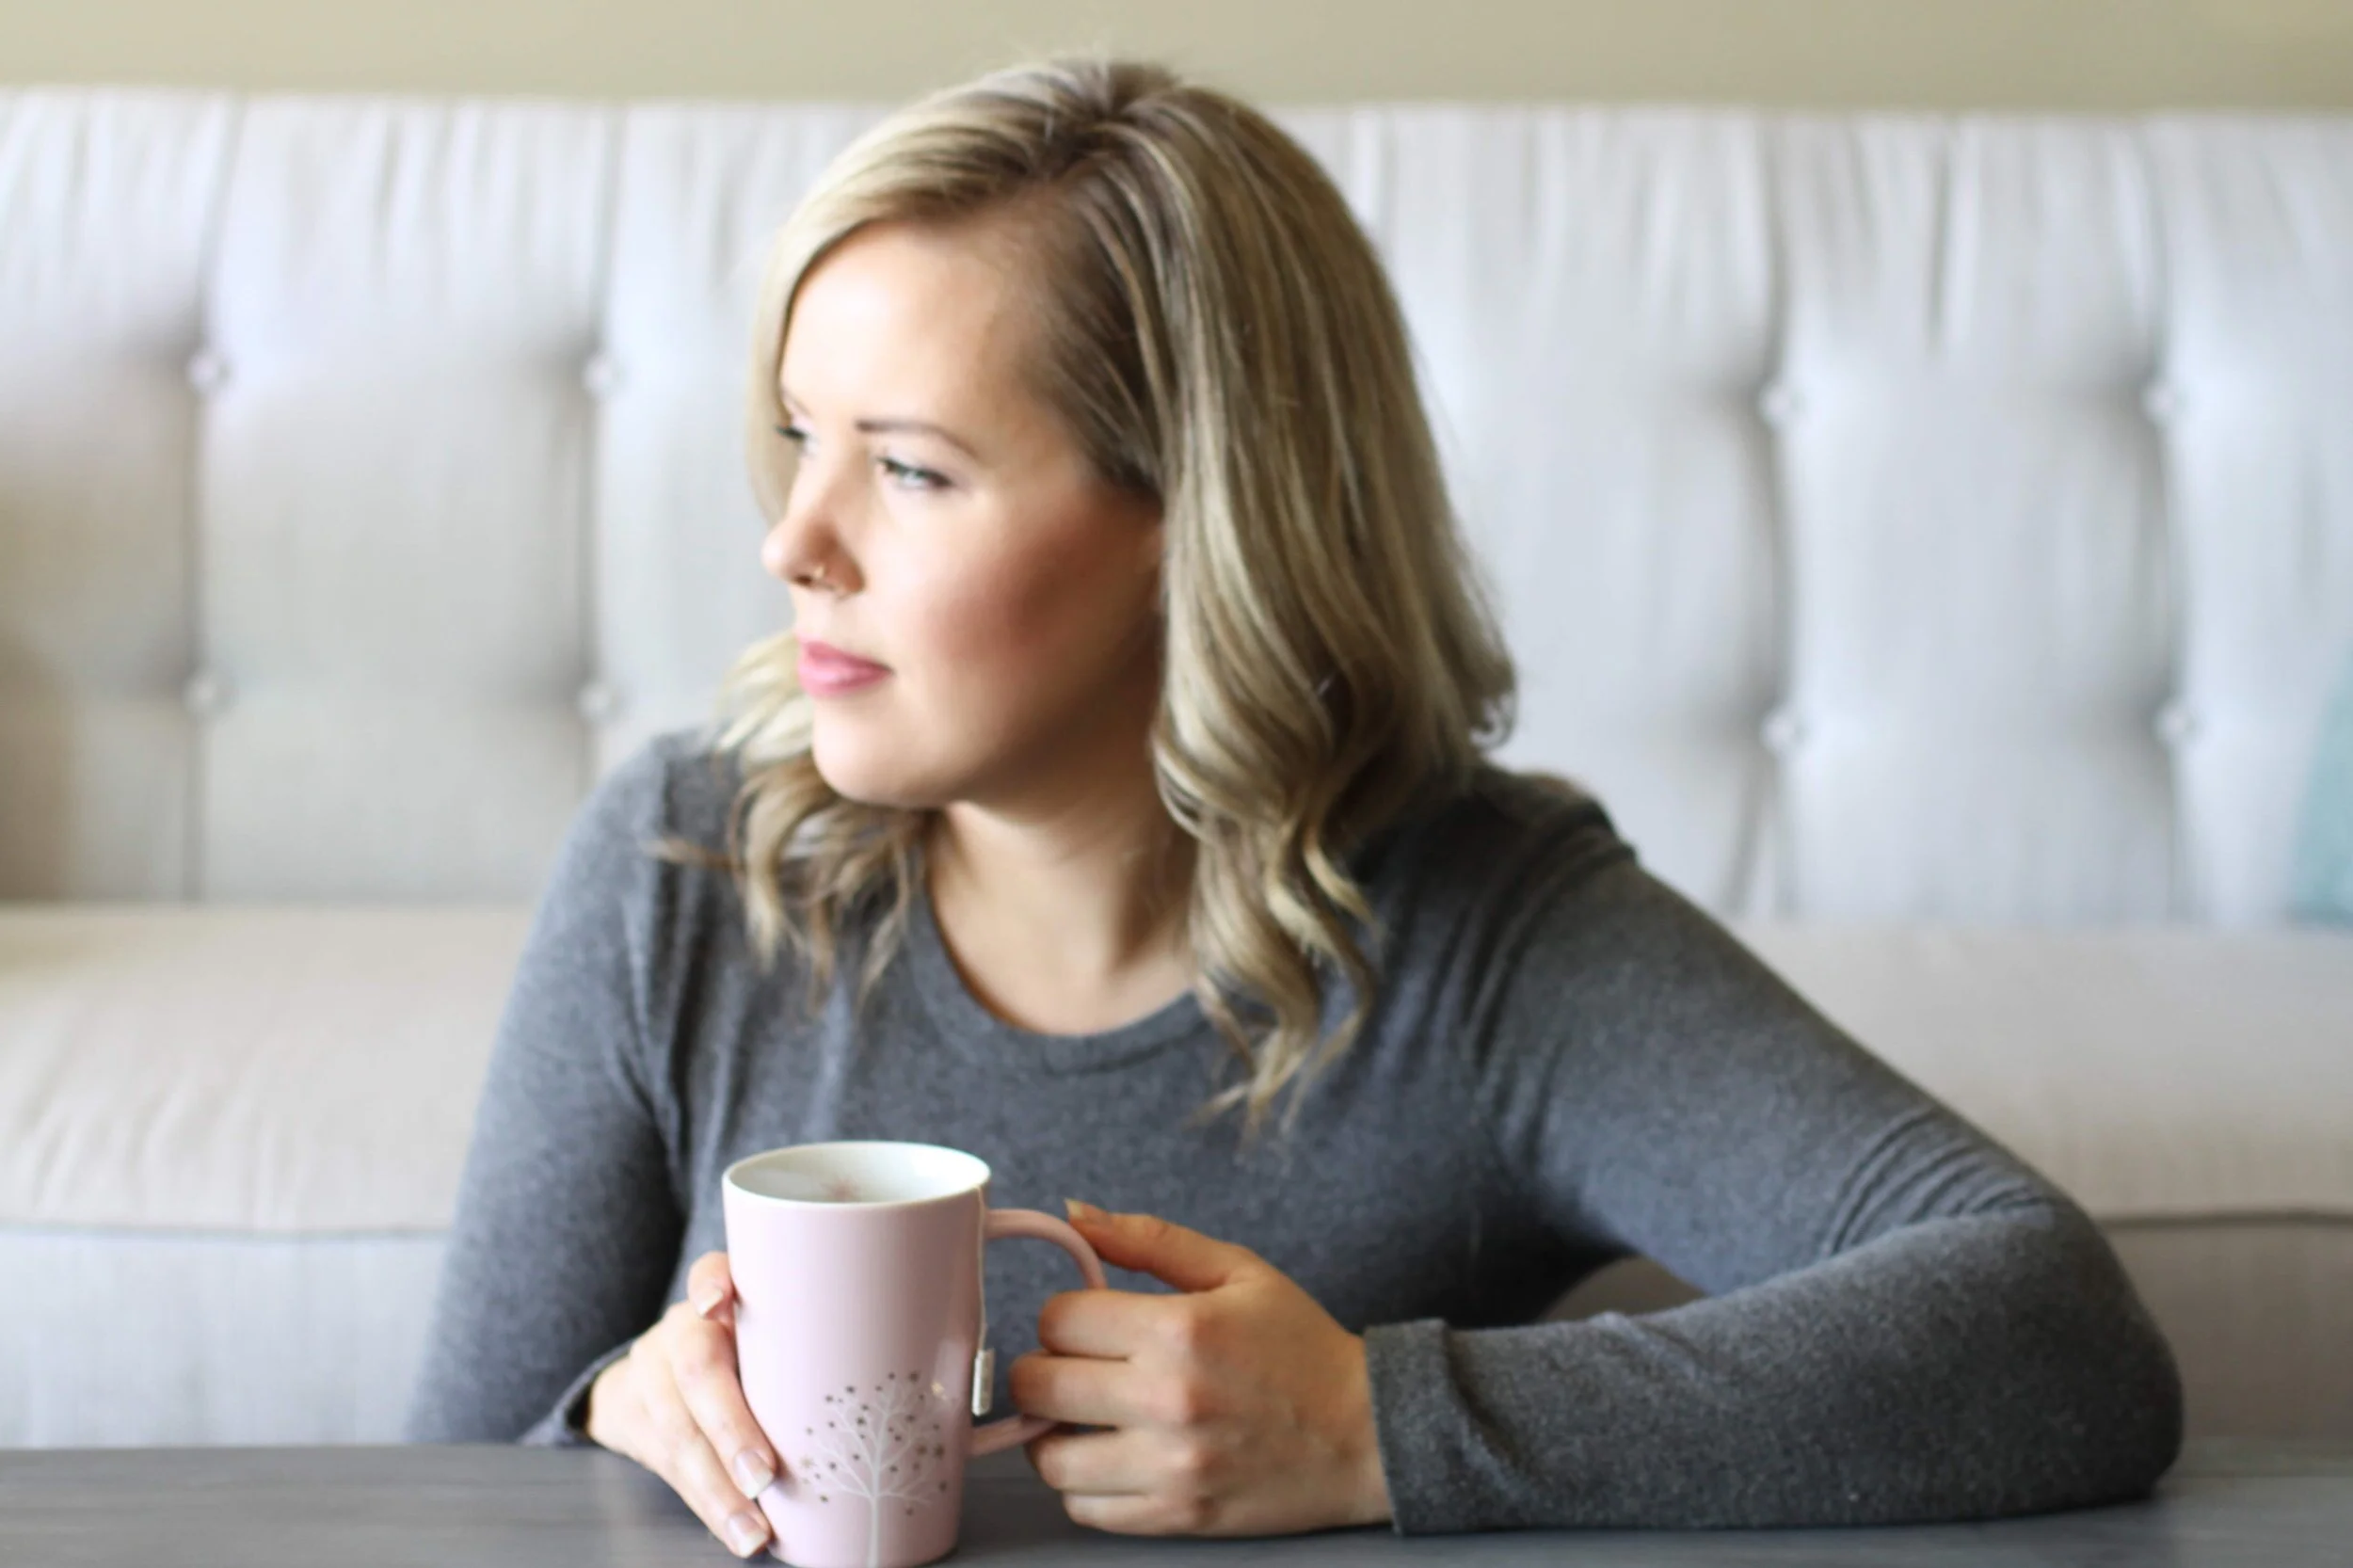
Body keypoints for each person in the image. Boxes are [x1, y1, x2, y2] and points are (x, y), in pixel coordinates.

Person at [401, 54, 2184, 1560]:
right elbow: (436, 1488)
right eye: (803, 439)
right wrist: (614, 1415)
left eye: (913, 469)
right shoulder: (680, 872)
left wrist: (1385, 1426)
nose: (797, 542)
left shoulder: (1491, 934)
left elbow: (2051, 1325)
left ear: (1199, 519)